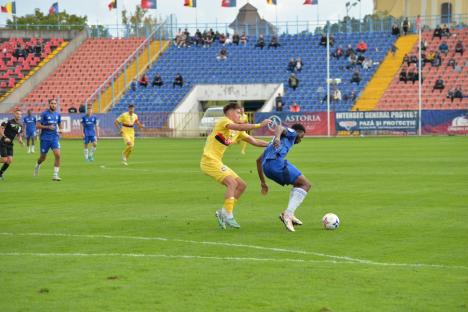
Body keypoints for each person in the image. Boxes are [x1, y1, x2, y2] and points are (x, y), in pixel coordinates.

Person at [200, 102, 271, 229]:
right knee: (232, 183)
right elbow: (238, 127)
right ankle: (228, 214)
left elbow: (254, 141)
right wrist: (260, 125)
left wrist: (271, 144)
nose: (241, 115)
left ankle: (223, 212)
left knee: (242, 185)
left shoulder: (237, 132)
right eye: (239, 112)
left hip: (217, 161)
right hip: (209, 160)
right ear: (230, 112)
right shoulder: (224, 121)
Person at [255, 123, 310, 232]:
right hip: (276, 164)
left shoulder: (271, 145)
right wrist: (278, 138)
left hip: (267, 169)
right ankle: (288, 215)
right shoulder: (293, 133)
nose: (300, 140)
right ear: (298, 132)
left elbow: (258, 160)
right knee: (306, 184)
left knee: (298, 184)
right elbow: (279, 127)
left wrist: (263, 182)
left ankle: (289, 213)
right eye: (301, 136)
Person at [34, 99, 63, 181]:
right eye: (52, 103)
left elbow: (59, 123)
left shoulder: (58, 114)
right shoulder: (44, 114)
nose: (54, 105)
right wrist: (47, 127)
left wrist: (61, 130)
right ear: (49, 104)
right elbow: (37, 125)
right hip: (45, 138)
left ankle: (55, 175)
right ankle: (37, 165)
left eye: (55, 103)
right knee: (42, 157)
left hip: (54, 137)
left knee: (58, 155)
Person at [0, 109, 24, 180]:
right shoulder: (9, 121)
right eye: (17, 114)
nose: (19, 115)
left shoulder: (20, 125)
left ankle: (0, 173)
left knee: (9, 160)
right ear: (14, 114)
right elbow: (1, 129)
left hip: (10, 144)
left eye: (20, 114)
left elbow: (19, 136)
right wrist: (4, 137)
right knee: (4, 160)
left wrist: (21, 142)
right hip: (3, 142)